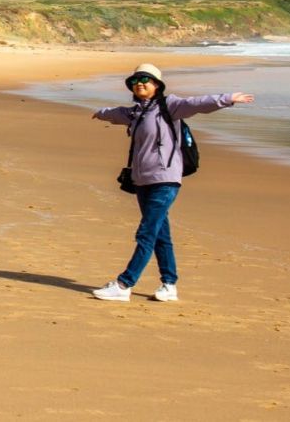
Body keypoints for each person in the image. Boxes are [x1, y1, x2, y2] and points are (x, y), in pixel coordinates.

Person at [90, 63, 253, 302]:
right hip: (141, 181)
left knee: (146, 233)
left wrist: (227, 98)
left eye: (145, 79)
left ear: (156, 84)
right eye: (135, 81)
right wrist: (101, 113)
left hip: (165, 180)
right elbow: (115, 113)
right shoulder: (135, 113)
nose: (140, 84)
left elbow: (197, 103)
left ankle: (124, 285)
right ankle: (169, 285)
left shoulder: (170, 106)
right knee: (159, 235)